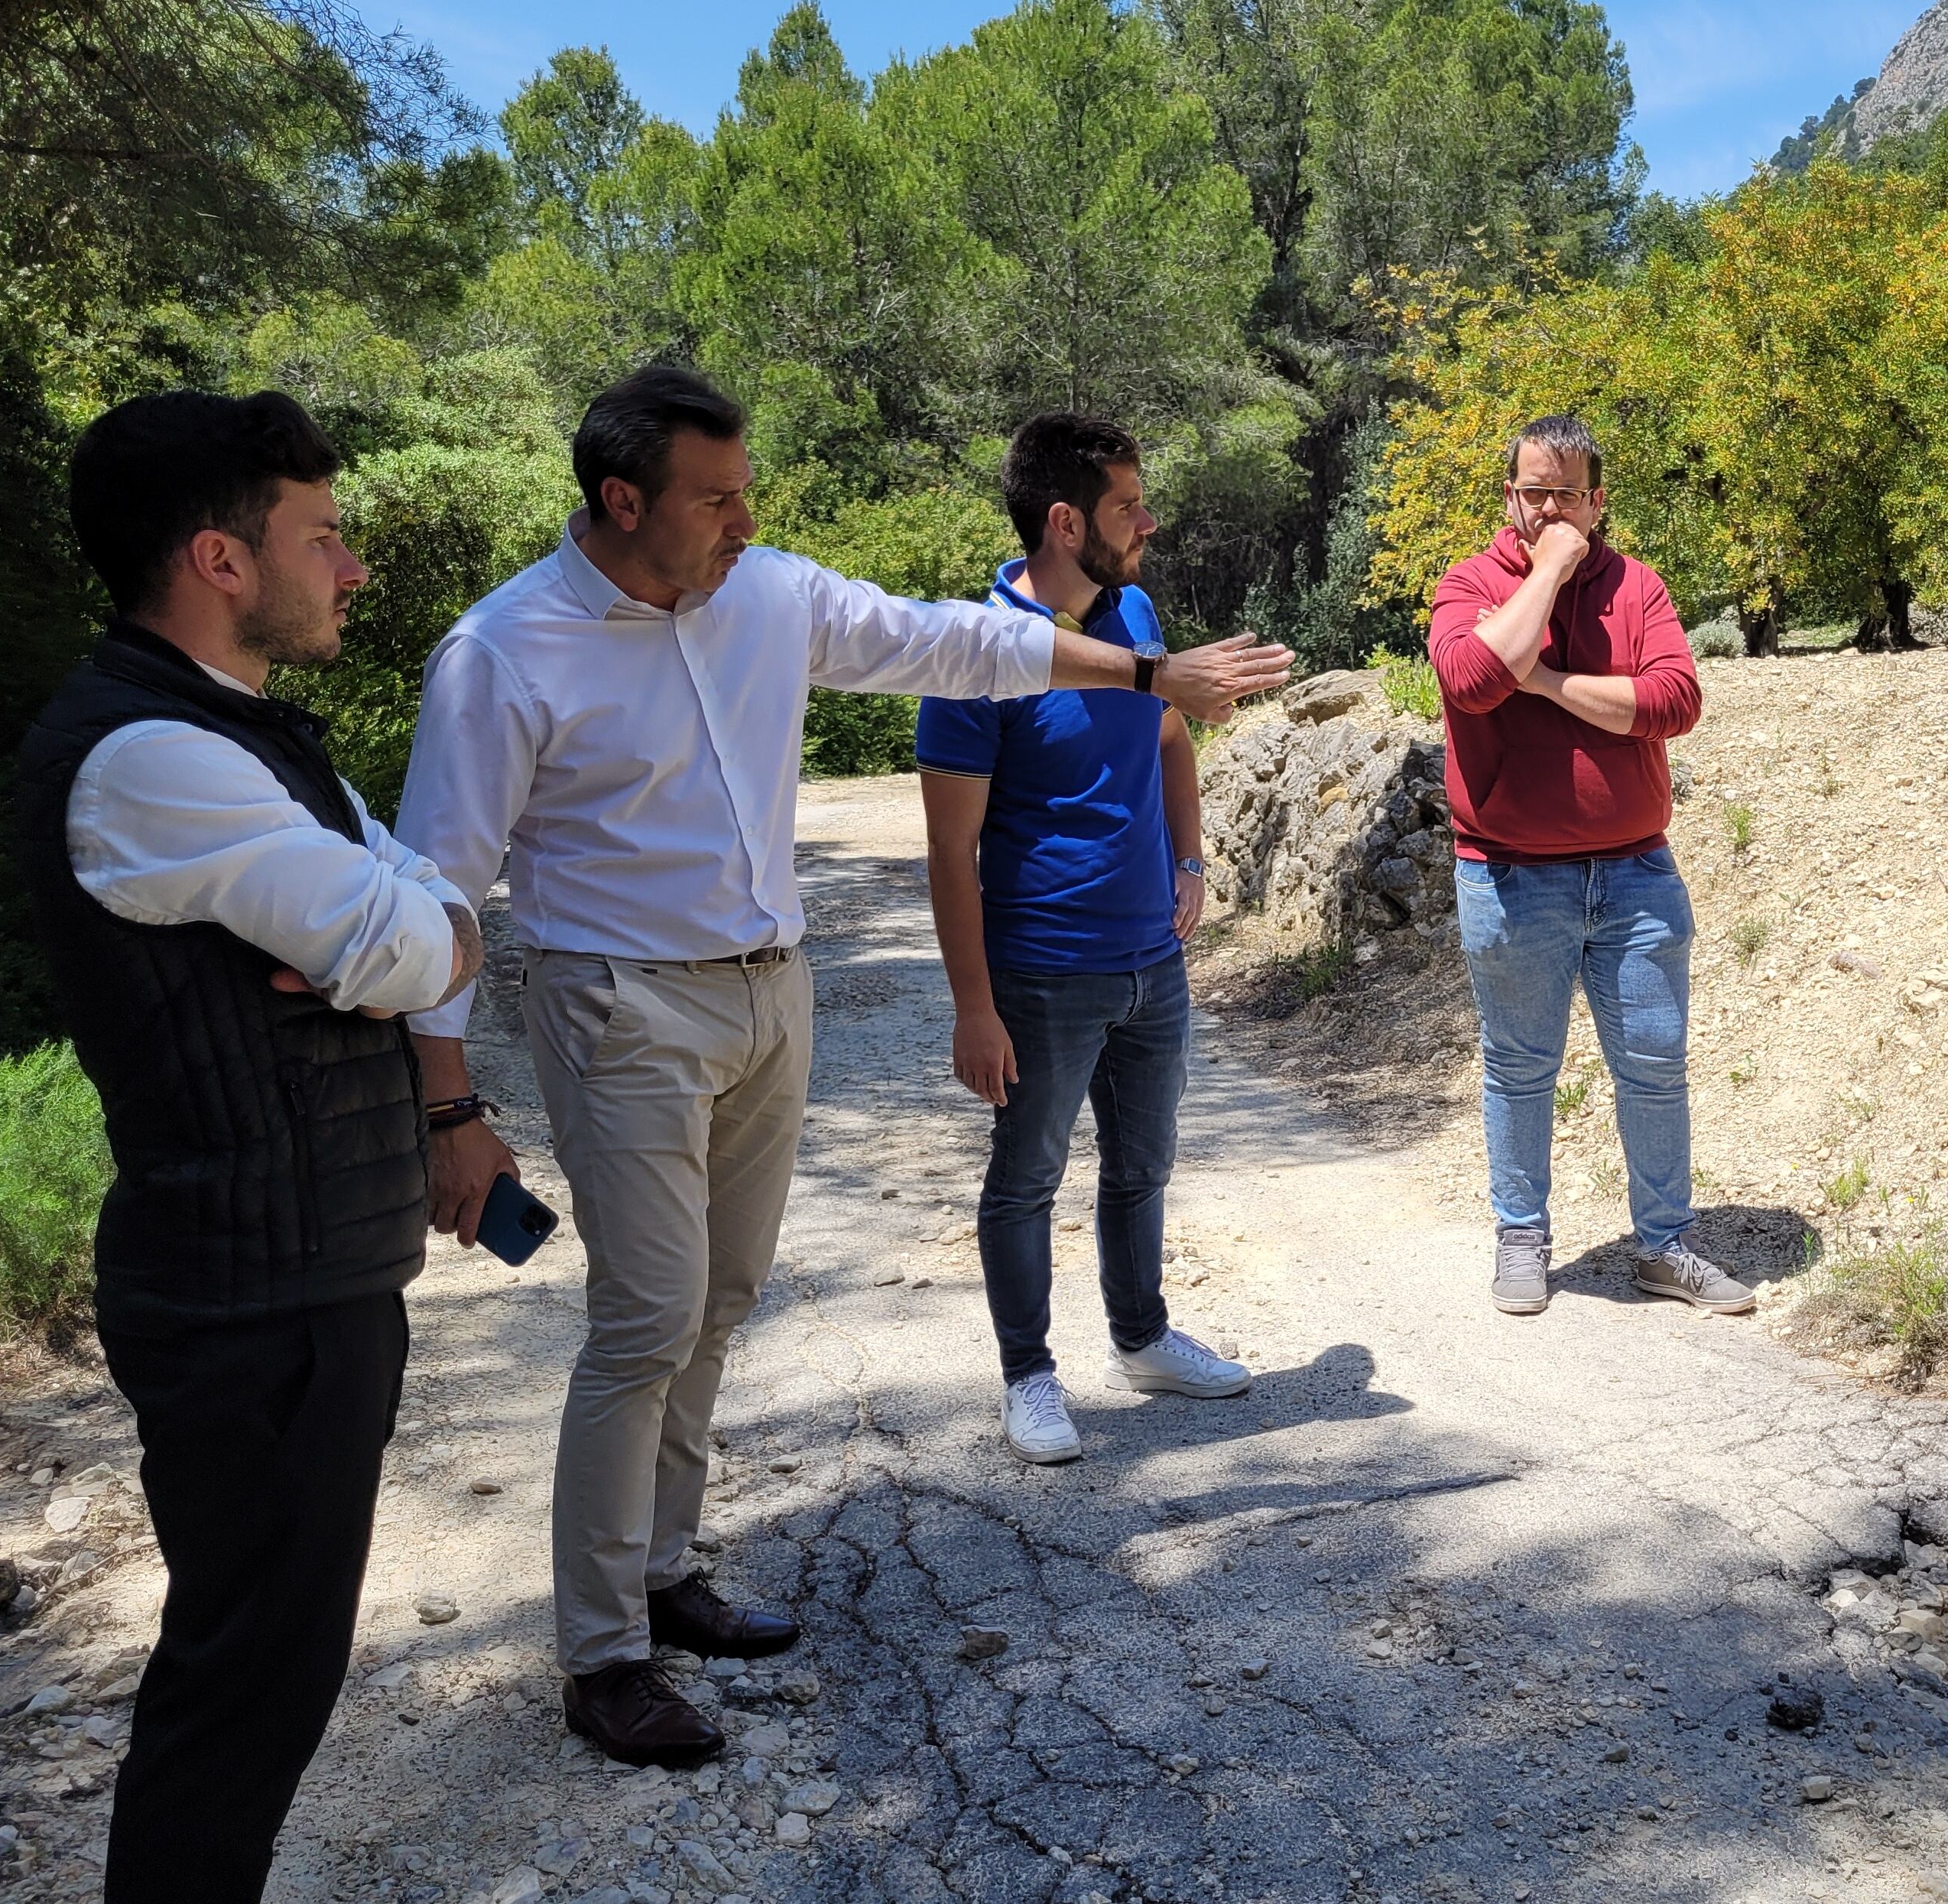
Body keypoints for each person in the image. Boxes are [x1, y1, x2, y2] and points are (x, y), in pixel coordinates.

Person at [394, 370, 1289, 1761]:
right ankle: (601, 1652)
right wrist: (450, 1102)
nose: (746, 517)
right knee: (644, 1317)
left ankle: (665, 1568)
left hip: (770, 991)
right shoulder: (503, 653)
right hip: (615, 1004)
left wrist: (1143, 672)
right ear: (620, 501)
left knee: (723, 1295)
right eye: (717, 495)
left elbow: (957, 641)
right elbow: (437, 894)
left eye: (747, 488)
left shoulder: (767, 592)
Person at [20, 390, 480, 1904]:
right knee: (236, 1683)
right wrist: (398, 928)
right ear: (220, 560)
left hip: (296, 1281)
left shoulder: (239, 733)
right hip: (244, 1296)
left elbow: (417, 912)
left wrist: (397, 929)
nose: (350, 566)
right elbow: (410, 927)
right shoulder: (147, 755)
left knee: (265, 1670)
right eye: (318, 535)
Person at [917, 414, 1269, 1465]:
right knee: (1026, 1177)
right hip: (1040, 969)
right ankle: (1029, 1377)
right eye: (1128, 505)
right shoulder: (975, 656)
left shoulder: (1133, 611)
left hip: (1150, 966)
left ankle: (1144, 1338)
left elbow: (1168, 736)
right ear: (1066, 522)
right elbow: (949, 850)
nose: (1149, 521)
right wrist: (974, 1007)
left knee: (1143, 1164)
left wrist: (1192, 859)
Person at [1425, 413, 1754, 1318]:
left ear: (1598, 501)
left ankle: (1665, 1246)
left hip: (1636, 873)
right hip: (1508, 873)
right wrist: (1547, 573)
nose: (1552, 508)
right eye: (1535, 492)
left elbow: (1672, 701)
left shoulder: (1637, 586)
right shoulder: (1464, 585)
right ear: (1509, 497)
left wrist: (1545, 681)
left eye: (1569, 494)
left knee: (1653, 1063)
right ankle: (1521, 1237)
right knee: (1519, 1067)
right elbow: (1473, 681)